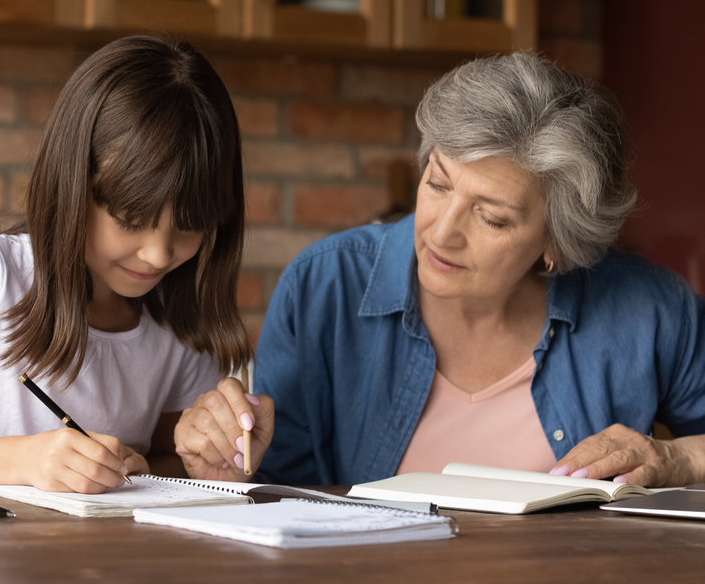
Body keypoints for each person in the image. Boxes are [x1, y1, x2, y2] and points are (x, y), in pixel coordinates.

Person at [175, 51, 705, 489]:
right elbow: (280, 489)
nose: (441, 231)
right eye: (437, 184)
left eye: (491, 217)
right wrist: (227, 468)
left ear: (555, 246)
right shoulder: (325, 287)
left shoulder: (651, 308)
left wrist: (675, 460)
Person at [0, 35, 253, 493]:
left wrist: (196, 461)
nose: (159, 255)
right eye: (129, 219)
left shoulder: (180, 324)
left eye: (190, 225)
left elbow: (159, 463)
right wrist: (23, 459)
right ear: (73, 184)